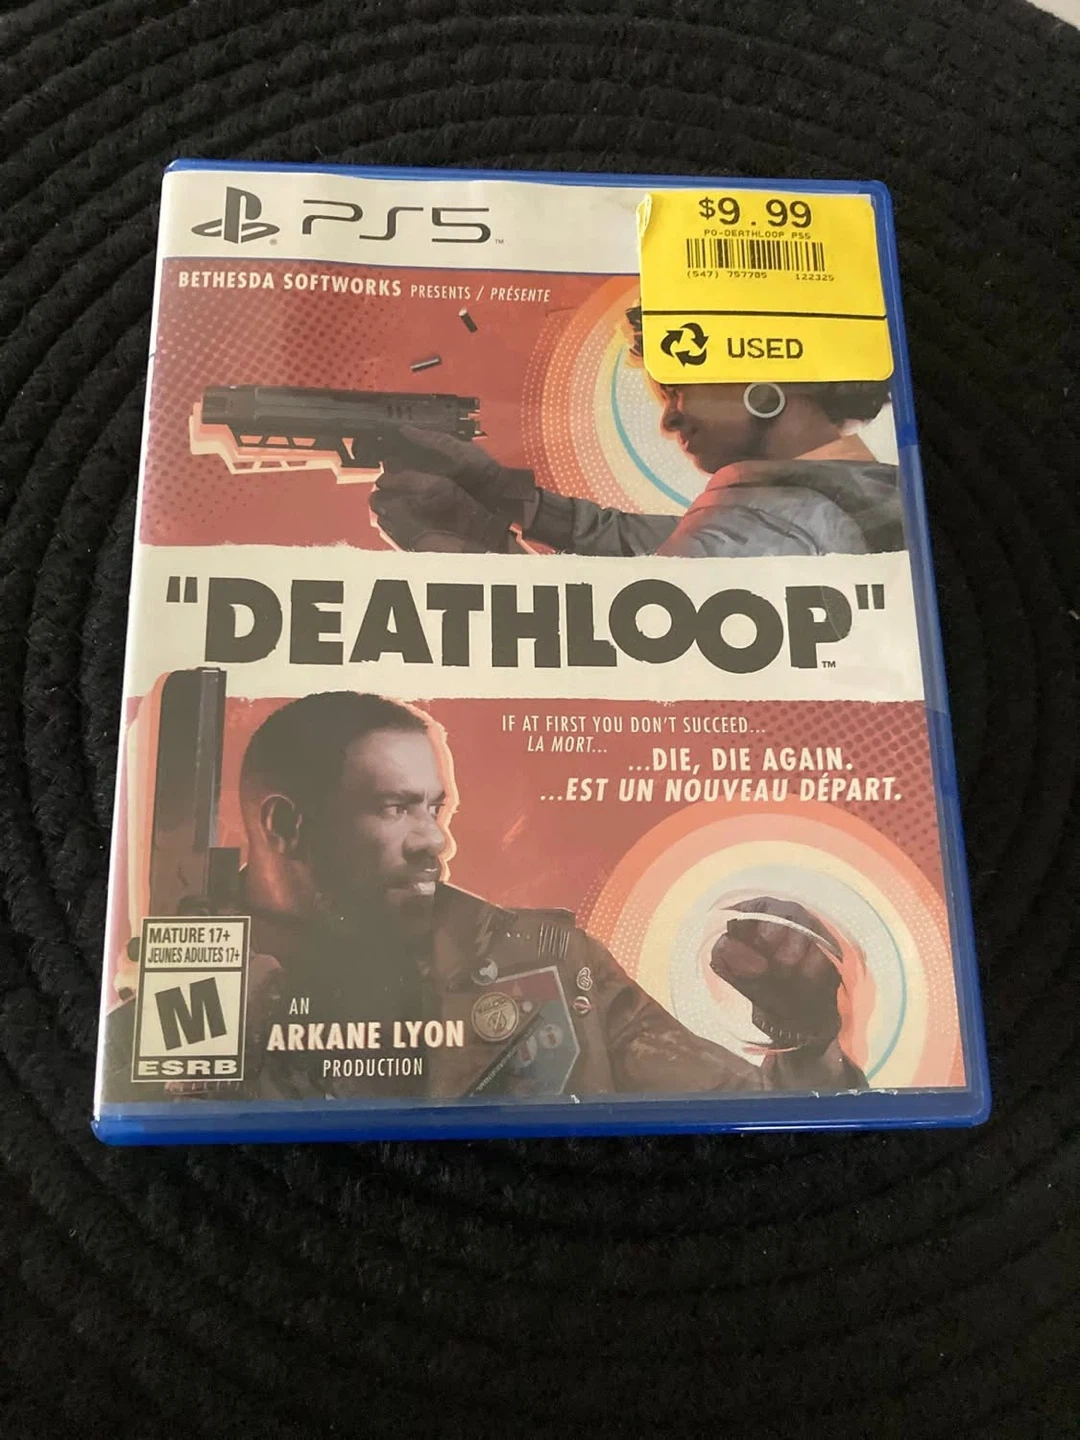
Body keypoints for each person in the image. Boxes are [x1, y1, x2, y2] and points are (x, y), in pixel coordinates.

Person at [104, 693, 866, 1103]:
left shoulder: (550, 962)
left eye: (436, 809)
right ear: (285, 825)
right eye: (396, 807)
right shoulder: (190, 985)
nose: (435, 842)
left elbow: (750, 1106)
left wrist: (803, 1036)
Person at [370, 310, 903, 558]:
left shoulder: (775, 523)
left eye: (678, 389)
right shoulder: (843, 493)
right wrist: (497, 489)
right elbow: (645, 543)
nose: (668, 420)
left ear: (764, 376)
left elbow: (619, 633)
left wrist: (461, 549)